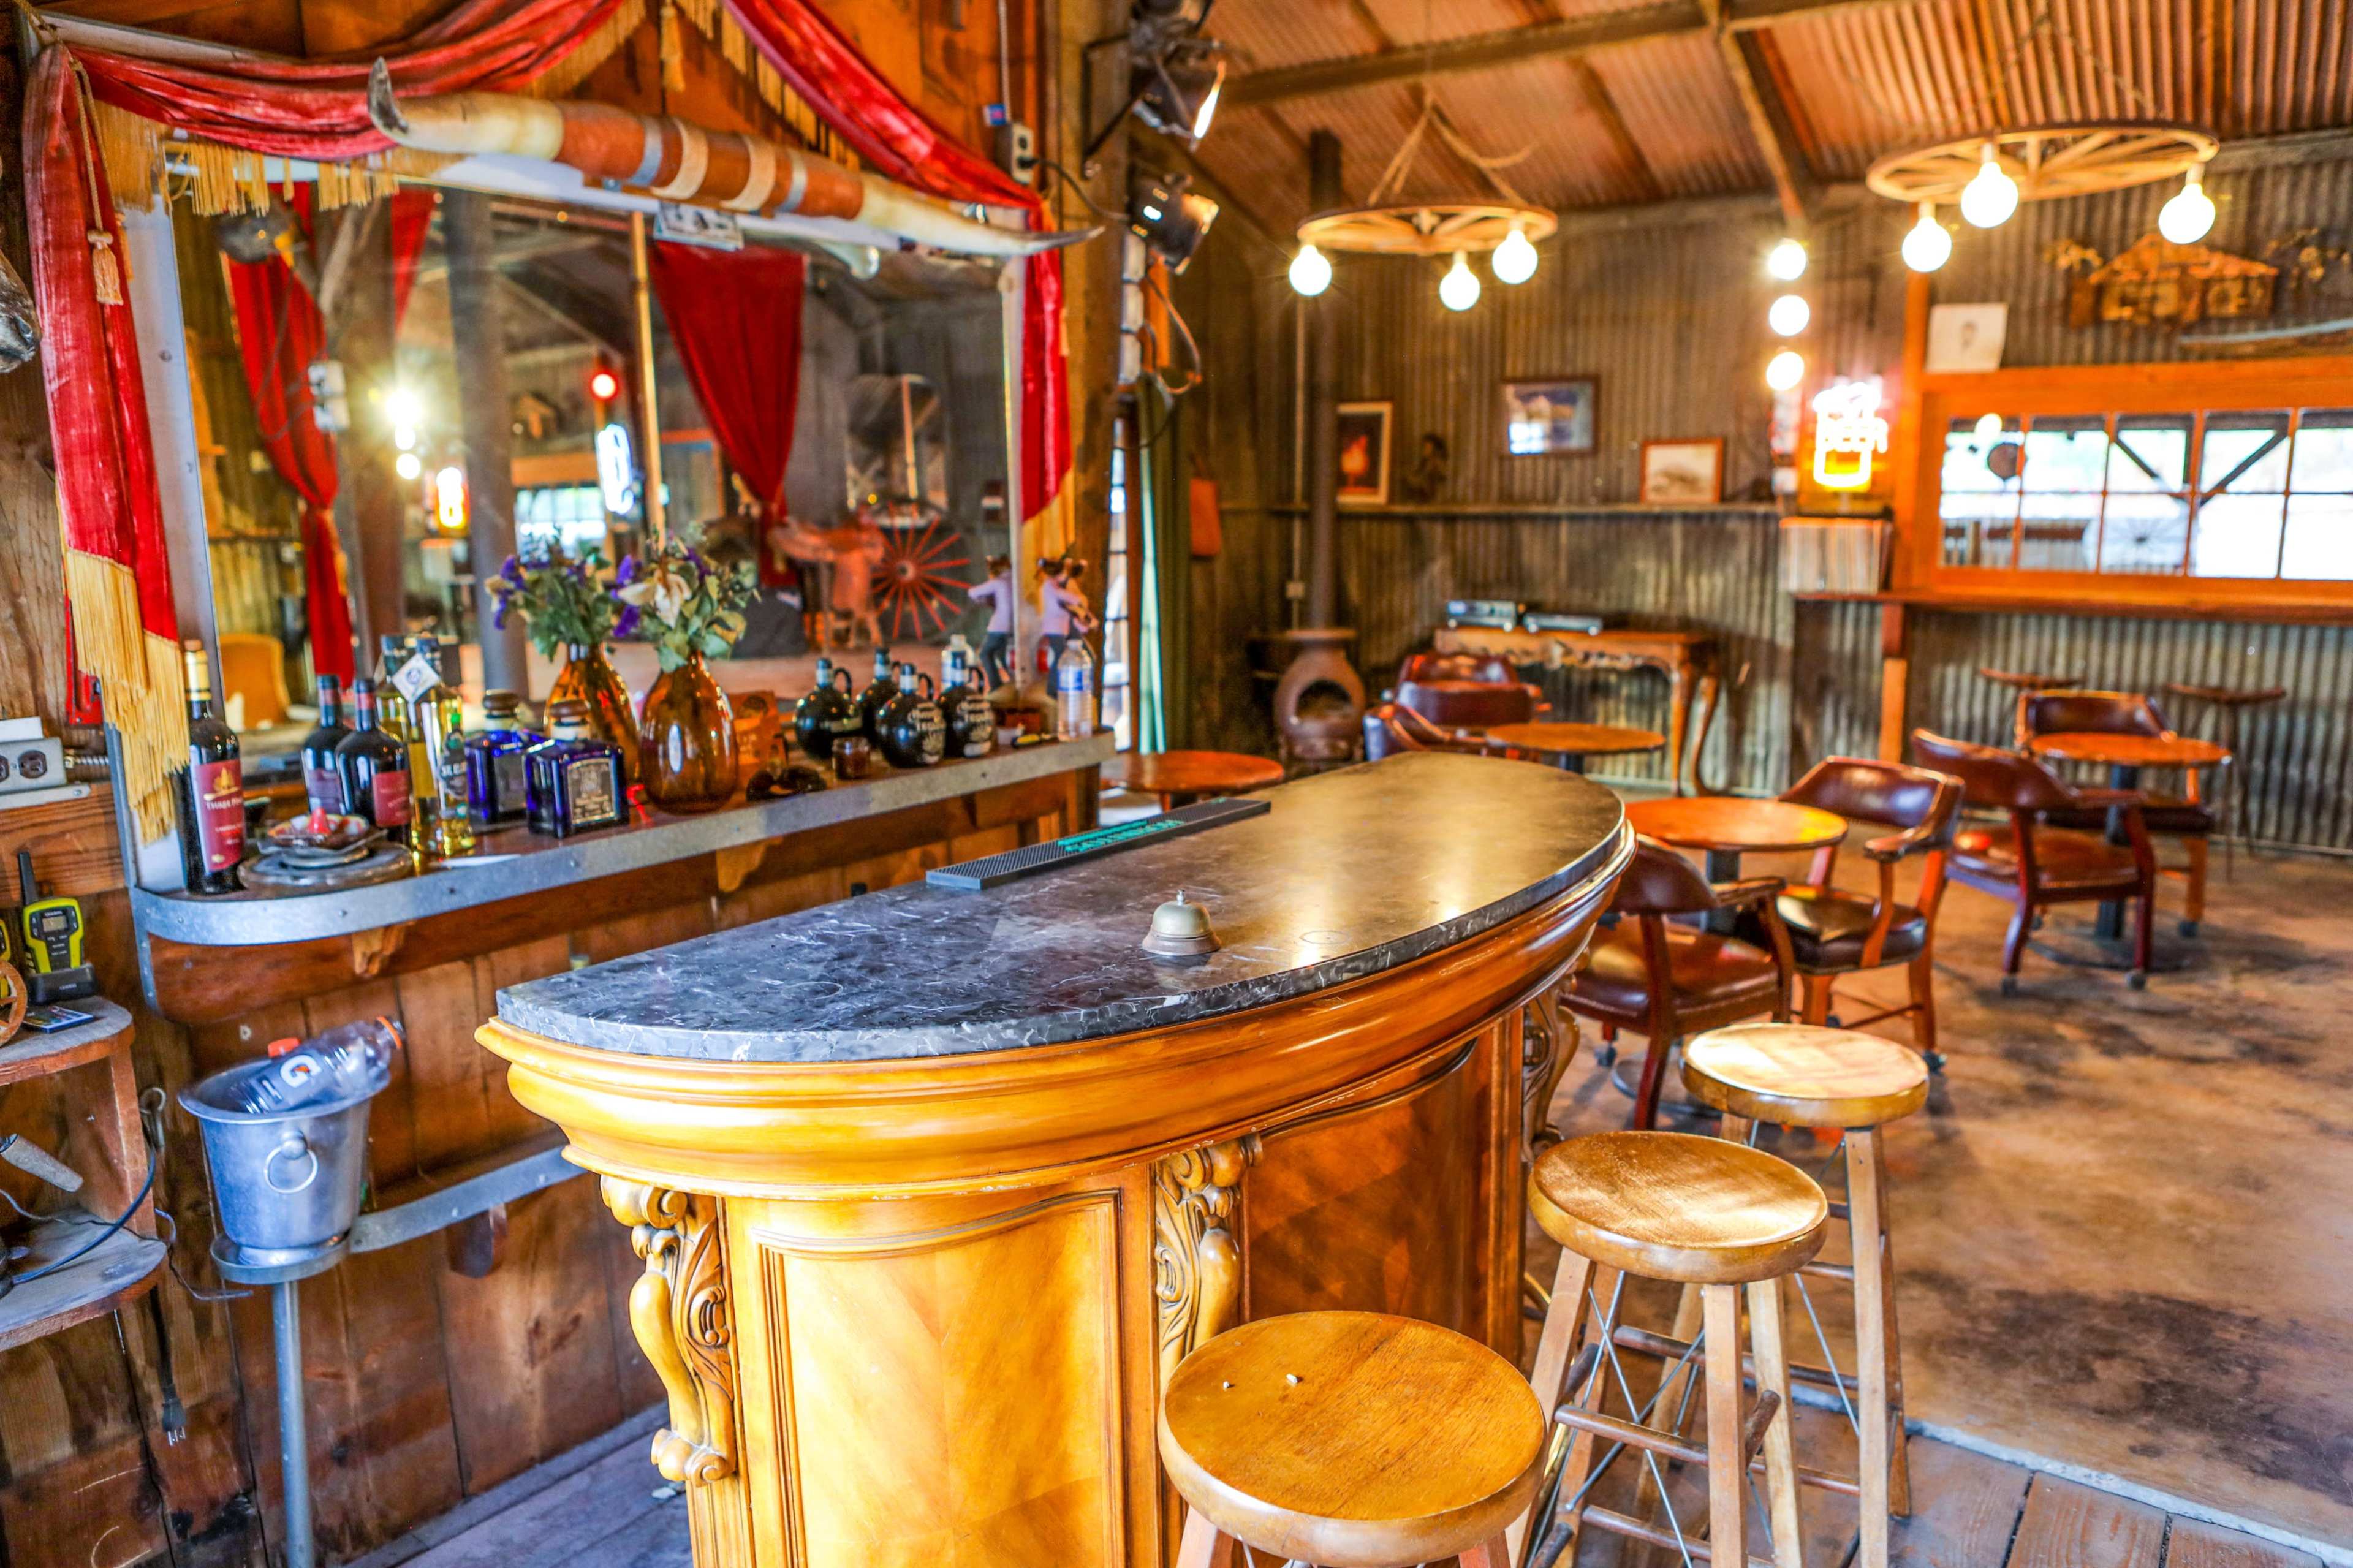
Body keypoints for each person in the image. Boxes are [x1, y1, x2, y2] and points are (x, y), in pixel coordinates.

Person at [1038, 554, 1096, 667]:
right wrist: (1086, 615)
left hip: (1063, 623)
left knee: (1069, 656)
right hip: (1064, 623)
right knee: (1067, 657)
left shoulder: (1052, 584)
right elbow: (1071, 600)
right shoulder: (1054, 585)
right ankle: (1055, 684)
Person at [966, 555, 1014, 687]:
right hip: (1013, 625)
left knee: (985, 654)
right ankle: (1014, 681)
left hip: (999, 626)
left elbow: (973, 593)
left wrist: (983, 599)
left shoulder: (998, 582)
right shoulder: (1014, 580)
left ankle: (996, 685)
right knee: (1003, 655)